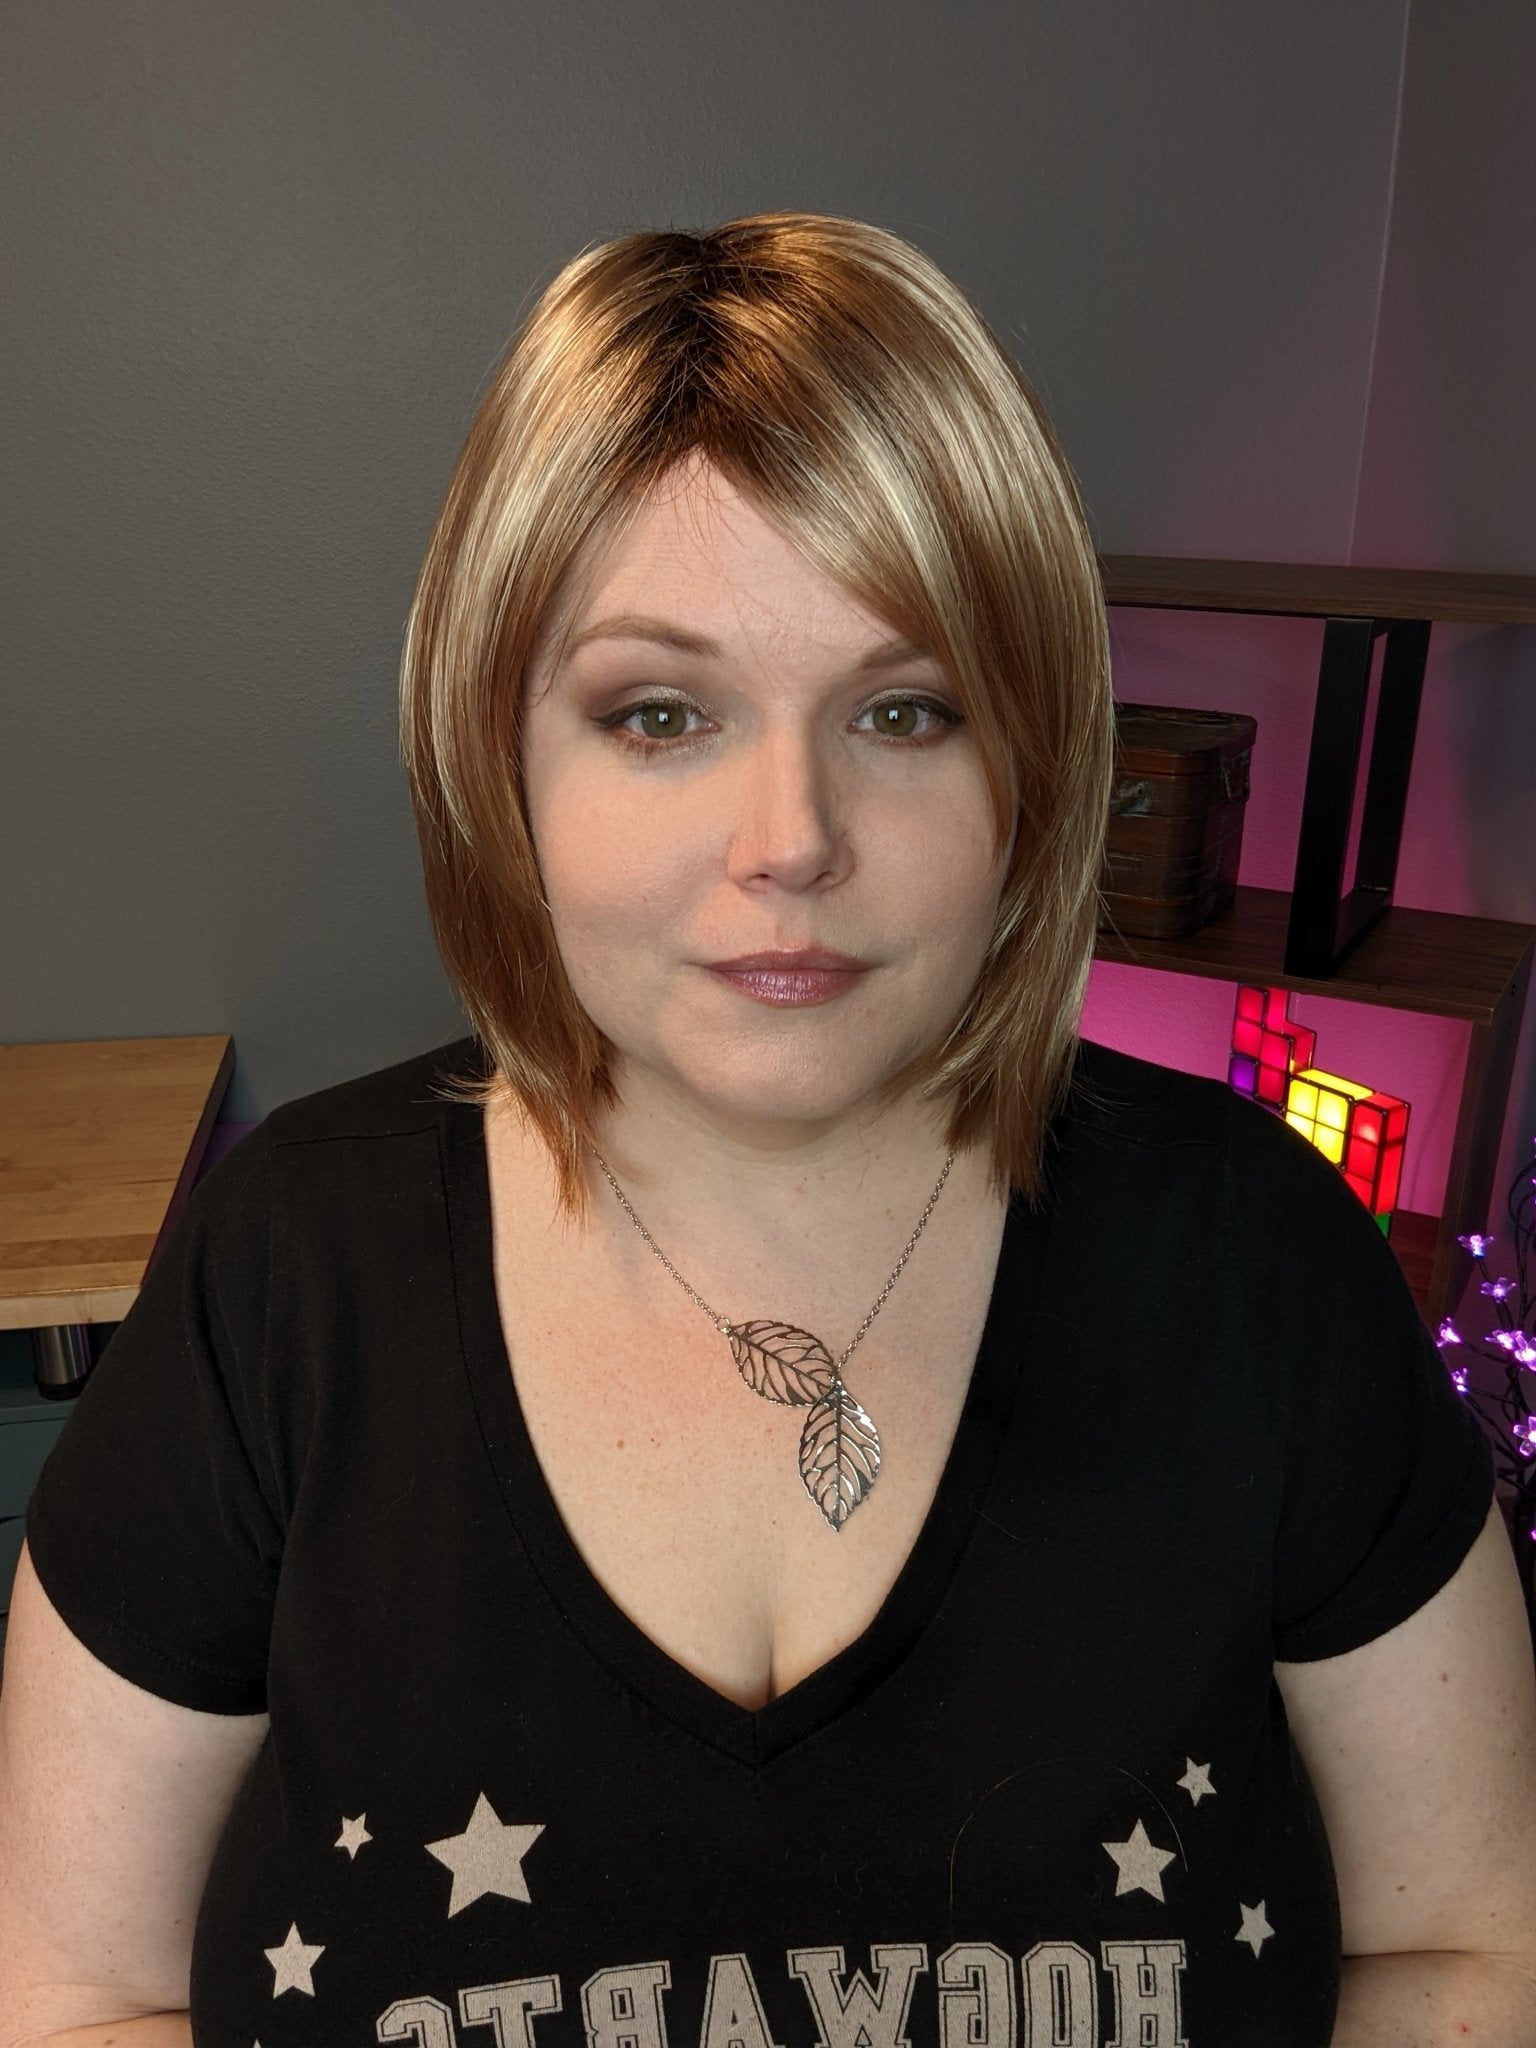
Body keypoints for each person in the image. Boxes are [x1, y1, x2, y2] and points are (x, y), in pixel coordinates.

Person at [1, 212, 1534, 2048]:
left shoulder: (1261, 1262)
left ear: (1034, 763)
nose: (792, 838)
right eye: (660, 713)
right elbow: (74, 1997)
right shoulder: (282, 1284)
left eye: (907, 709)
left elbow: (1472, 1950)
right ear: (502, 756)